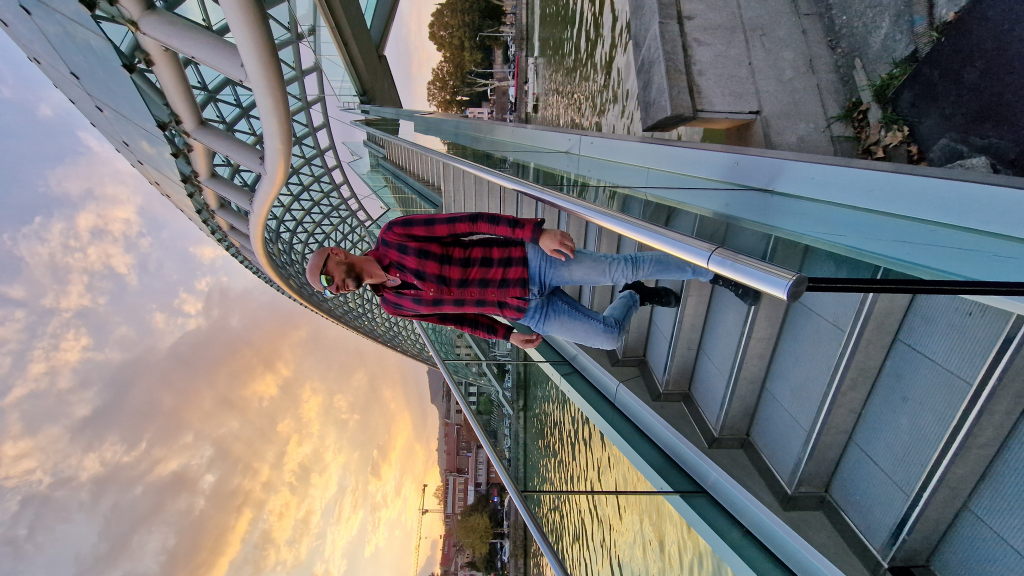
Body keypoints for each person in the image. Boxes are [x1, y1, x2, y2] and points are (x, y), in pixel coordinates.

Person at [305, 212, 759, 350]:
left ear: (338, 255)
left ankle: (714, 272)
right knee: (606, 337)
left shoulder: (396, 235)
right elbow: (457, 319)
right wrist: (507, 333)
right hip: (524, 309)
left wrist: (533, 233)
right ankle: (634, 298)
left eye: (330, 278)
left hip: (531, 264)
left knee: (622, 264)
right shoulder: (393, 305)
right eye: (330, 291)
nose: (335, 288)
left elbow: (468, 220)